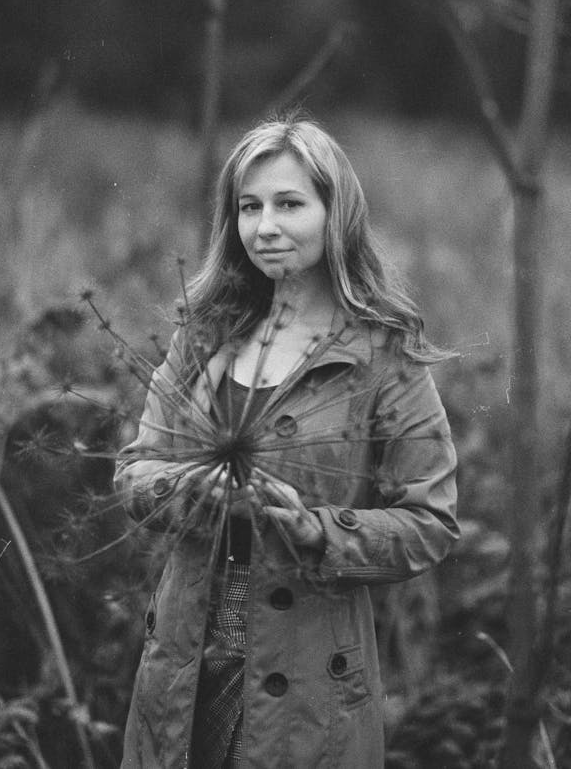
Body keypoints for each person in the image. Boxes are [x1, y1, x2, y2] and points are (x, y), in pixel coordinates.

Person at [115, 115, 459, 769]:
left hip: (311, 686)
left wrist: (316, 529)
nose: (265, 226)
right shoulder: (205, 337)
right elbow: (136, 472)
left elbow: (430, 521)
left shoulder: (384, 358)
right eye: (250, 207)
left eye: (289, 203)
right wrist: (191, 487)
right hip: (183, 669)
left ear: (337, 214)